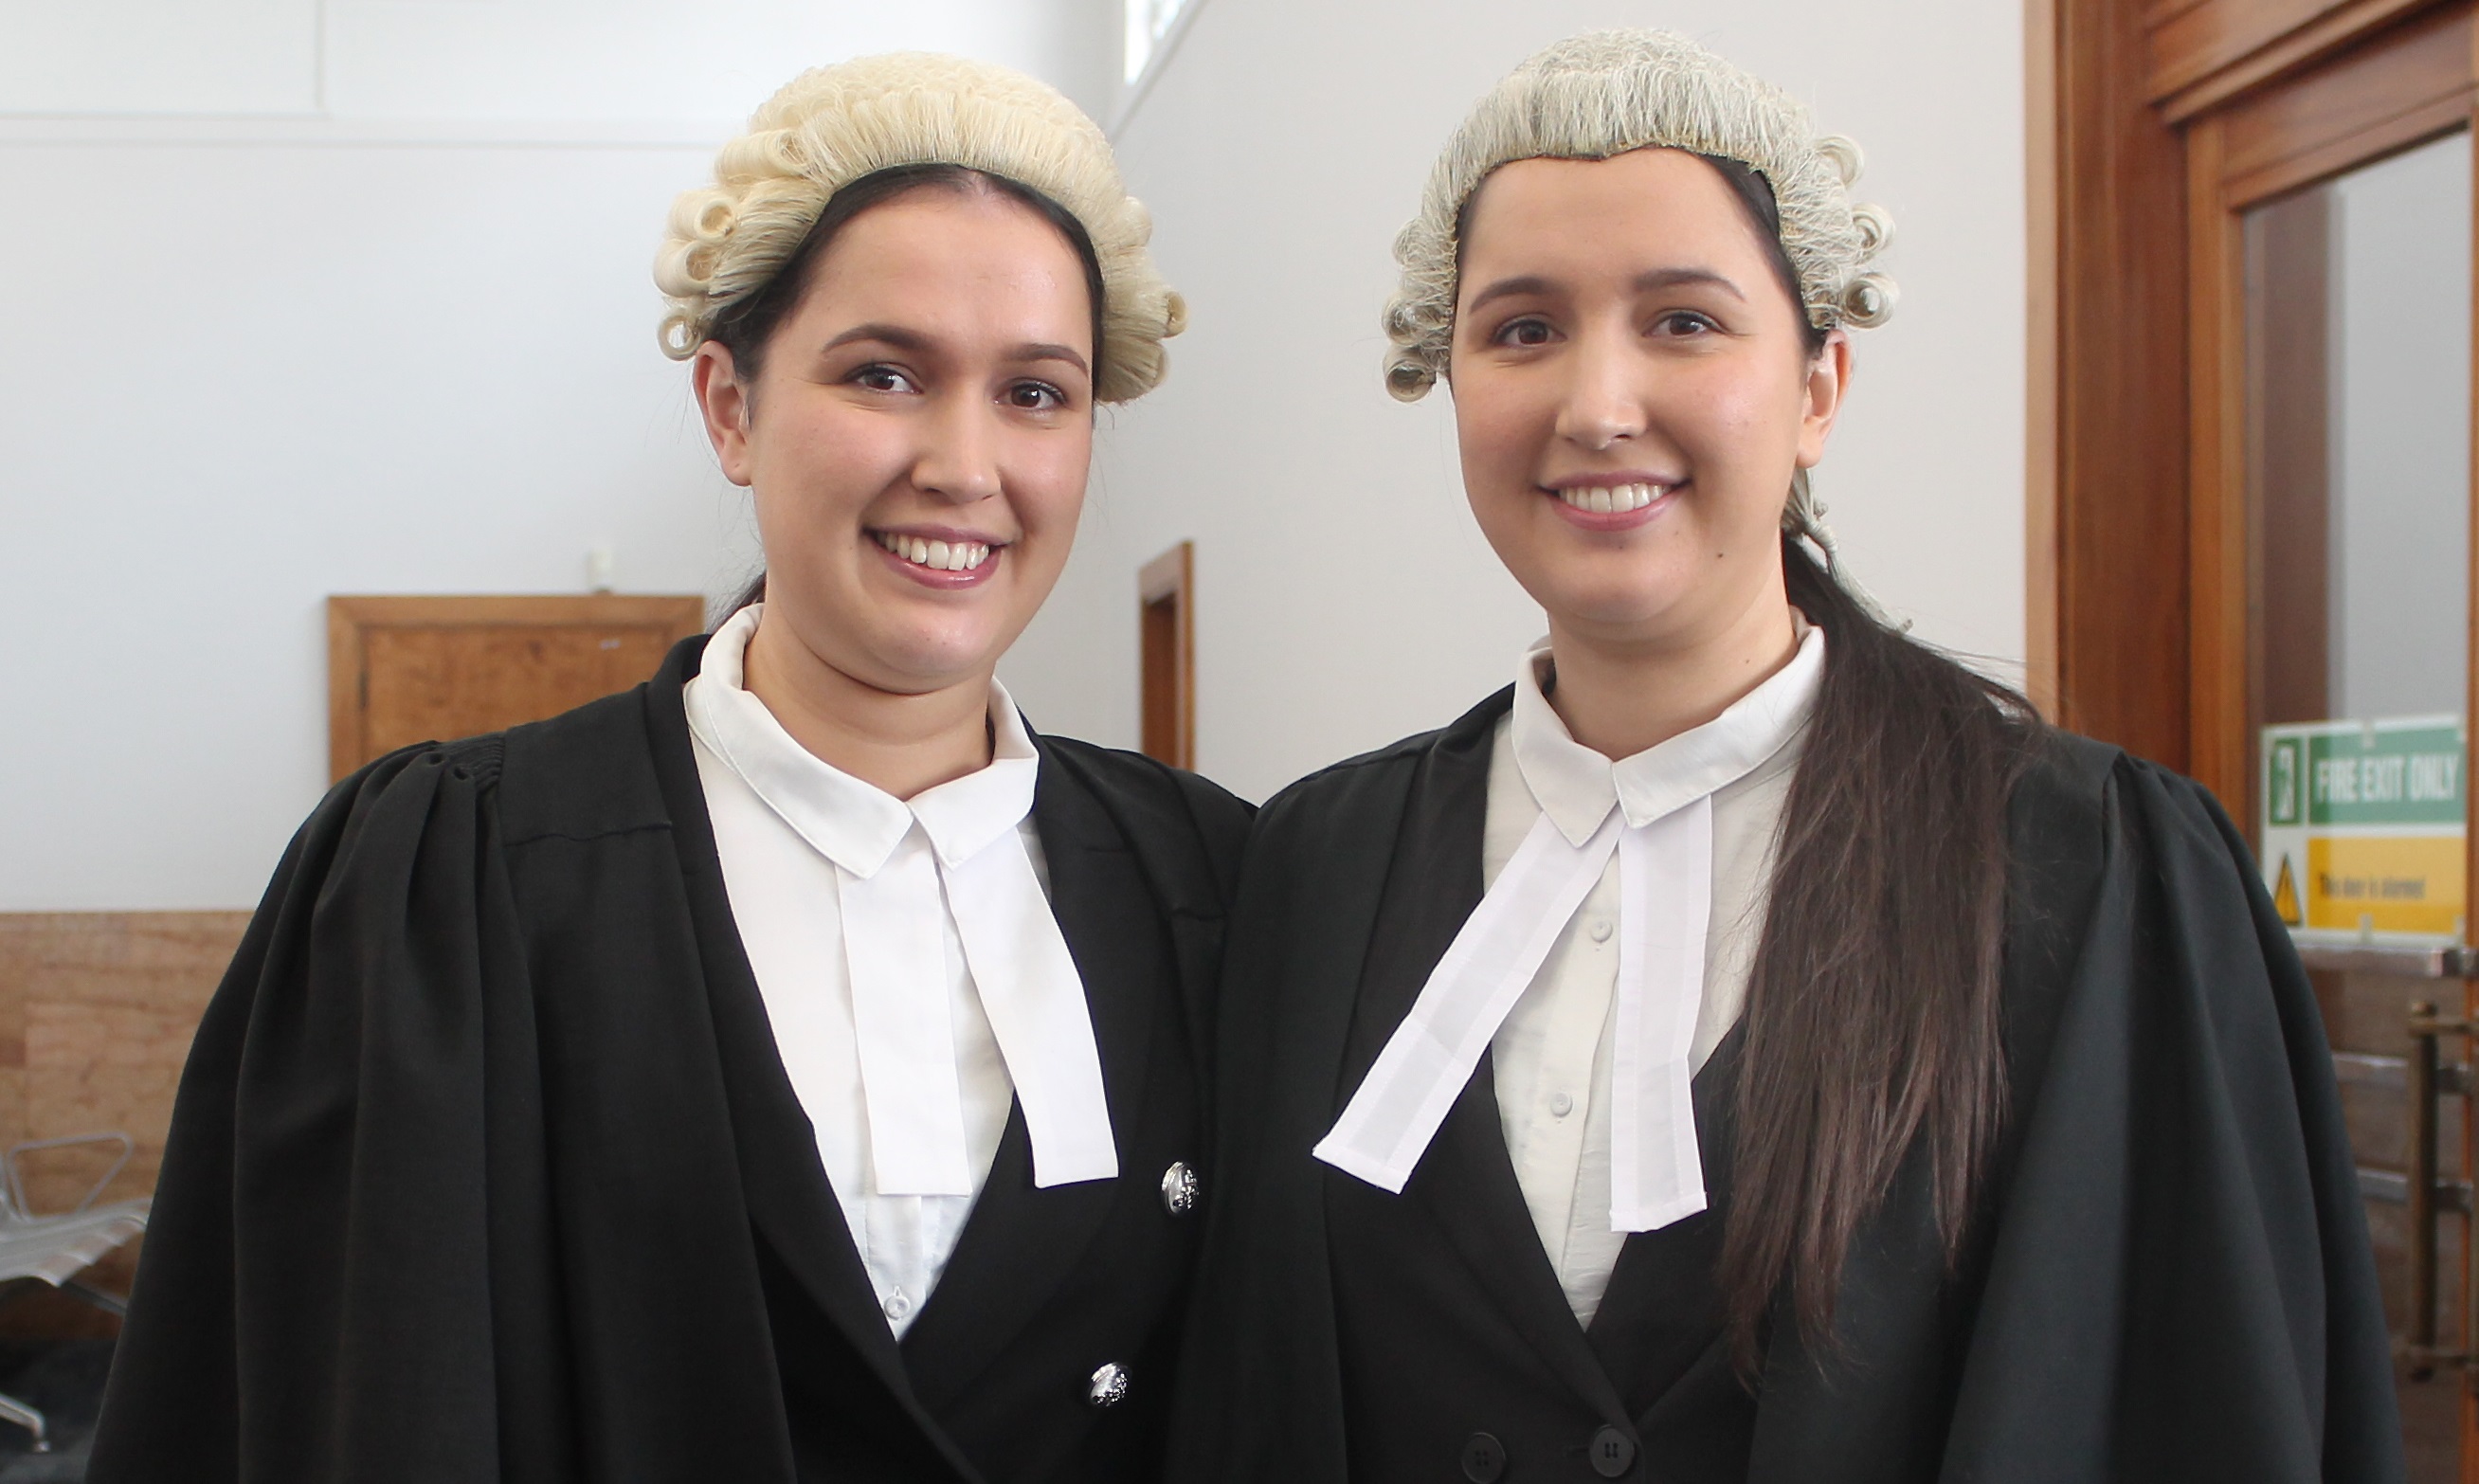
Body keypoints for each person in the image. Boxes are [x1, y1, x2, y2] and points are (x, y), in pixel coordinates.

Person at [1168, 30, 2399, 1484]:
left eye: (1684, 322)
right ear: (1450, 385)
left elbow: (2196, 1413)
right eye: (1521, 329)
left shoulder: (2083, 872)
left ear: (1818, 385)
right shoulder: (1317, 866)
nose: (1597, 404)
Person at [90, 53, 1245, 1484]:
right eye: (883, 373)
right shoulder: (445, 881)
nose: (964, 461)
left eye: (1034, 392)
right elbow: (346, 1407)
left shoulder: (1217, 887)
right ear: (730, 409)